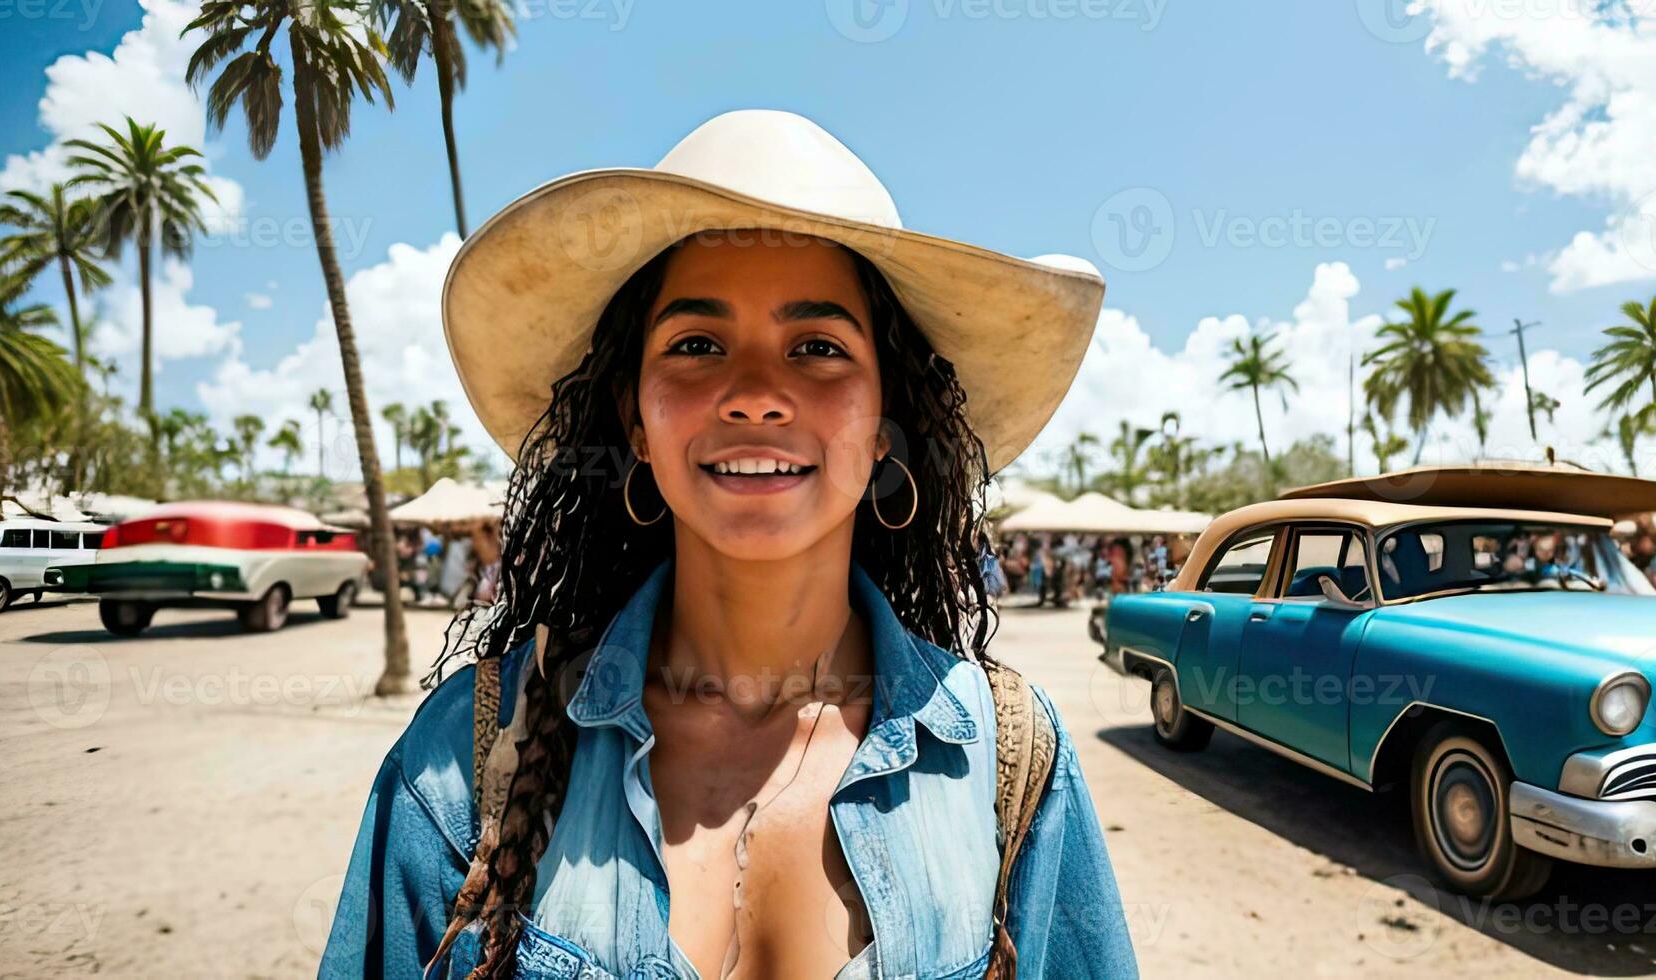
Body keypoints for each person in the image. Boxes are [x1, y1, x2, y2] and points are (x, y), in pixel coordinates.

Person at [319, 110, 1137, 979]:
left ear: (884, 427)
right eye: (696, 345)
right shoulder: (465, 760)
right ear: (635, 420)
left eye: (818, 347)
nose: (754, 394)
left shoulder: (1012, 764)